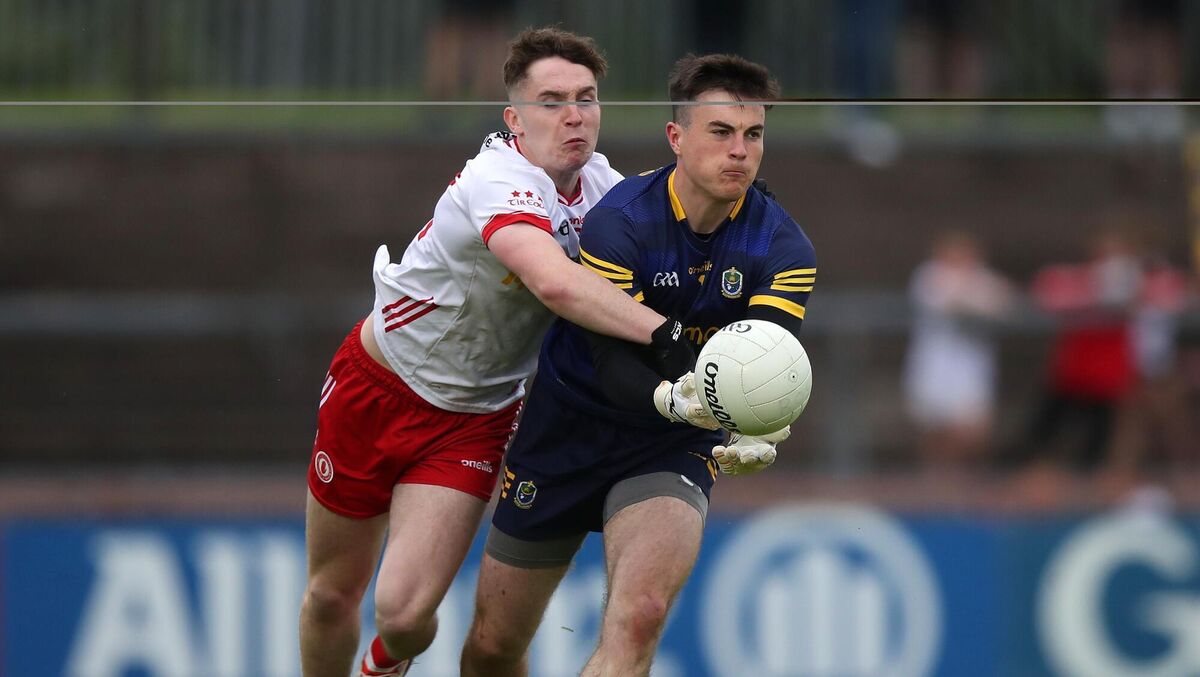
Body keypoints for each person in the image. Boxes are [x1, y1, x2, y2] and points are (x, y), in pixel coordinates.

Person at [298, 28, 693, 677]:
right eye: (552, 100)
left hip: (472, 416)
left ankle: (380, 662)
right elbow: (555, 281)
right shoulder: (496, 177)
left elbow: (666, 265)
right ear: (515, 118)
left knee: (401, 615)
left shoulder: (604, 189)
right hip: (378, 381)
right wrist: (666, 336)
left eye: (587, 98)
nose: (573, 115)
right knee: (329, 594)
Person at [460, 53, 818, 677]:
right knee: (494, 646)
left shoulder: (783, 251)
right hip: (569, 426)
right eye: (721, 132)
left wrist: (753, 425)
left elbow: (759, 364)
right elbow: (607, 358)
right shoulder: (619, 221)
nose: (740, 151)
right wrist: (673, 397)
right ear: (676, 136)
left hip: (670, 446)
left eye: (753, 134)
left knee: (642, 611)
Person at [902, 231, 1013, 469]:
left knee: (972, 432)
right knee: (934, 430)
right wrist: (976, 299)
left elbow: (1003, 303)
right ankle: (935, 482)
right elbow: (953, 302)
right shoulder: (928, 275)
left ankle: (962, 483)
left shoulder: (983, 278)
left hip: (972, 368)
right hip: (935, 366)